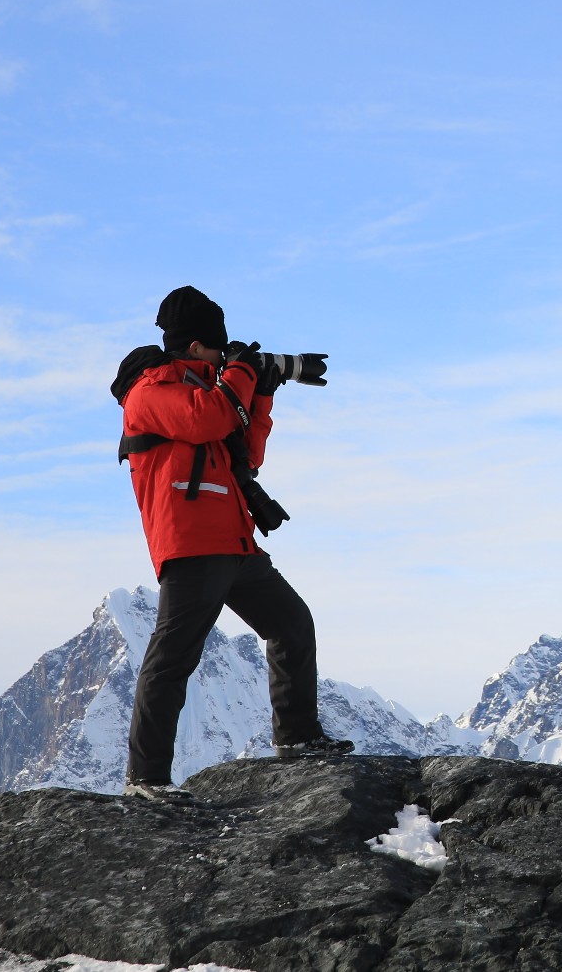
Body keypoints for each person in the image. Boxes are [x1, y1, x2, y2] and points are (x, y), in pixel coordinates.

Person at [109, 286, 352, 805]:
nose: (226, 357)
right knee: (173, 657)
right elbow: (207, 420)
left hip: (235, 540)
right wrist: (243, 372)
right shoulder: (150, 394)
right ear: (196, 345)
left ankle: (297, 737)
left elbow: (248, 453)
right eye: (220, 348)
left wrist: (261, 391)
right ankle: (145, 778)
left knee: (290, 623)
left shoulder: (211, 391)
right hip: (192, 542)